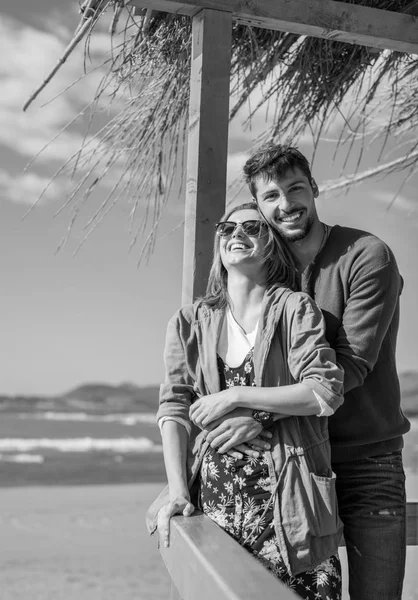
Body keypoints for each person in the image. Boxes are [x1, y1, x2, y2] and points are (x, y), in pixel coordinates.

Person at [235, 143, 410, 600]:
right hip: (294, 460)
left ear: (314, 189)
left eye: (295, 189)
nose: (286, 204)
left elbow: (350, 364)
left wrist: (253, 414)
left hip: (368, 461)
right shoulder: (263, 272)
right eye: (271, 196)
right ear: (258, 205)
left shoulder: (367, 255)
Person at [147, 202, 345, 599]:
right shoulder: (189, 323)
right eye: (226, 228)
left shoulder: (294, 309)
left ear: (270, 244)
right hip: (215, 505)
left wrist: (235, 396)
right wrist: (178, 489)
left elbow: (324, 390)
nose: (236, 234)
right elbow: (174, 409)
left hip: (291, 503)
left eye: (252, 227)